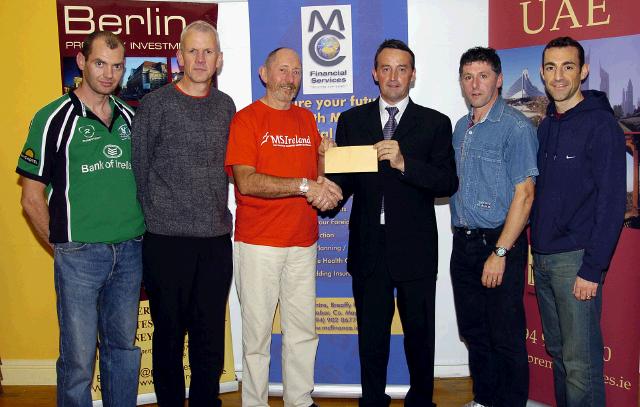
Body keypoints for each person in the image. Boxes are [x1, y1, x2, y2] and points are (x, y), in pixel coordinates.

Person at [326, 39, 457, 407]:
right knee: (371, 336)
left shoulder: (434, 123)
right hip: (368, 247)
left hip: (415, 249)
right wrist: (327, 173)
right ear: (374, 73)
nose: (394, 76)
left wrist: (404, 164)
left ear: (413, 75)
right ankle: (372, 401)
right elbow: (344, 184)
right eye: (386, 68)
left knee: (419, 335)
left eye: (402, 69)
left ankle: (421, 401)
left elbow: (447, 182)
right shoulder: (352, 120)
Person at [17, 31, 144, 406]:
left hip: (130, 252)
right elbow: (30, 198)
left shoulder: (130, 117)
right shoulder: (53, 117)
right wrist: (63, 249)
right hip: (80, 256)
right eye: (100, 63)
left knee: (122, 350)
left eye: (117, 66)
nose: (108, 74)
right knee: (77, 359)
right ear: (81, 61)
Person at [225, 47, 341, 407]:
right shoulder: (246, 120)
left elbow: (316, 177)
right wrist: (305, 185)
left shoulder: (307, 120)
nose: (290, 79)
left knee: (303, 332)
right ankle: (255, 403)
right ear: (264, 73)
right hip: (259, 244)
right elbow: (246, 182)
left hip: (303, 242)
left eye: (296, 72)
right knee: (257, 338)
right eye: (283, 70)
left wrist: (325, 161)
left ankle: (299, 400)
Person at [131, 20, 235, 406]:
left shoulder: (226, 106)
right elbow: (138, 170)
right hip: (166, 243)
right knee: (169, 334)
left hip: (213, 241)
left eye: (208, 51)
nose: (200, 58)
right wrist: (157, 217)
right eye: (192, 50)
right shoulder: (156, 105)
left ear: (219, 59)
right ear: (178, 55)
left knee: (209, 336)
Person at [531, 36, 626, 407]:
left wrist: (592, 268)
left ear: (583, 71)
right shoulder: (546, 125)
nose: (558, 76)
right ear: (542, 73)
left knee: (580, 364)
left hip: (576, 262)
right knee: (559, 353)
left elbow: (612, 202)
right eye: (551, 67)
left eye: (568, 66)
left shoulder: (601, 126)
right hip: (543, 257)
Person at [449, 47, 538, 407]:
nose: (475, 84)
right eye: (468, 76)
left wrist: (500, 252)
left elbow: (526, 195)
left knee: (505, 337)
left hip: (499, 244)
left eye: (483, 75)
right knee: (475, 332)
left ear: (499, 80)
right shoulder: (460, 127)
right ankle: (484, 399)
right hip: (463, 244)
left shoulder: (516, 127)